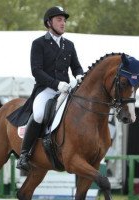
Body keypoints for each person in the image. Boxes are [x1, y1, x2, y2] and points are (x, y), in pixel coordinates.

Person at [8, 6, 84, 172]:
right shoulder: (39, 43)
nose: (63, 23)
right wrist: (57, 84)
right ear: (49, 22)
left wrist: (79, 76)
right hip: (47, 89)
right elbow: (36, 71)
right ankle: (24, 155)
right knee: (40, 114)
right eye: (59, 19)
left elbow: (77, 67)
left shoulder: (69, 45)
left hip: (66, 89)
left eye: (64, 20)